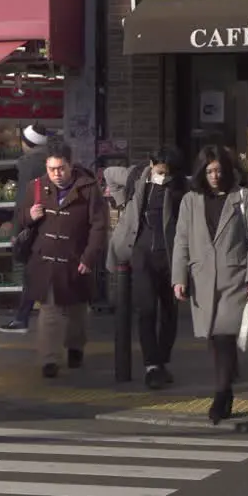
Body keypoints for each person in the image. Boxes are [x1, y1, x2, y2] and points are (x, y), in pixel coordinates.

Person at [172, 144, 248, 425]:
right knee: (214, 338)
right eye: (209, 171)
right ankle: (228, 378)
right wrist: (179, 278)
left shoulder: (243, 198)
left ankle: (222, 394)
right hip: (202, 279)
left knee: (225, 335)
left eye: (219, 170)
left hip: (234, 277)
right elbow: (181, 241)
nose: (214, 176)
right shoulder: (190, 200)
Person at [19, 145, 108, 378]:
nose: (56, 174)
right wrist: (30, 215)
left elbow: (99, 225)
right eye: (51, 169)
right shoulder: (36, 187)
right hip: (46, 260)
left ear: (70, 164)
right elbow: (19, 217)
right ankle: (49, 358)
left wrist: (90, 256)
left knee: (77, 308)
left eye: (61, 168)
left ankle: (75, 347)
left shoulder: (88, 188)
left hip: (75, 258)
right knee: (49, 310)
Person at [107, 145, 189, 388]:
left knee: (169, 311)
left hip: (170, 255)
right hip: (141, 253)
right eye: (158, 170)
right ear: (151, 165)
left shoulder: (181, 188)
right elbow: (109, 174)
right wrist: (121, 201)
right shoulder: (137, 176)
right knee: (146, 309)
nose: (161, 176)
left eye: (166, 172)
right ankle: (151, 365)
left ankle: (162, 361)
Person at [0, 124, 50, 333]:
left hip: (33, 223)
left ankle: (22, 318)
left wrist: (16, 230)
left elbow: (22, 200)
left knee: (30, 273)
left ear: (25, 143)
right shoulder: (53, 161)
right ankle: (25, 316)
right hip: (53, 222)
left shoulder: (27, 164)